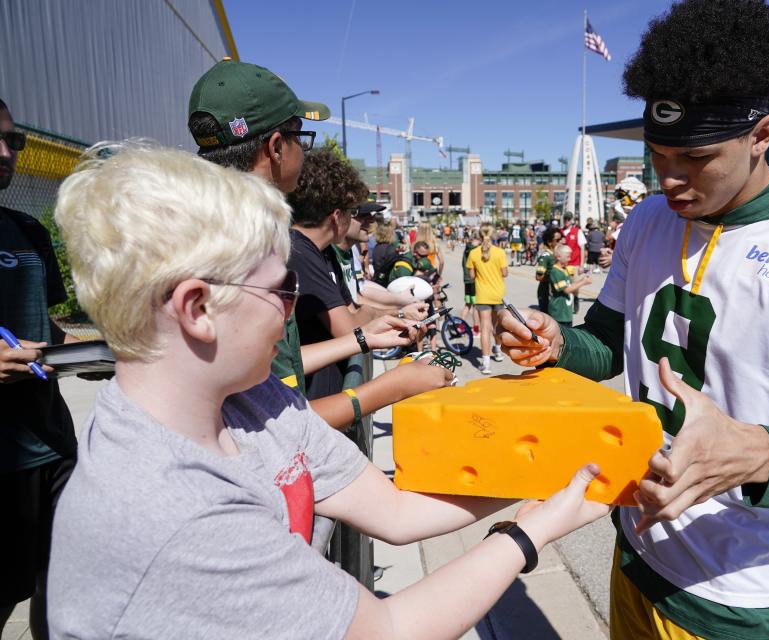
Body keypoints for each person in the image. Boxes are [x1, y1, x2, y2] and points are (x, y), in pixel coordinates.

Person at [46, 142, 610, 639]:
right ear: (198, 308)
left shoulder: (248, 400)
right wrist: (534, 530)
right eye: (281, 289)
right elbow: (389, 628)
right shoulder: (171, 514)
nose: (292, 312)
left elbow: (395, 511)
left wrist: (555, 476)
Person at [495, 2, 769, 638]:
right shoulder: (646, 219)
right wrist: (557, 343)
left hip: (733, 595)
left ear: (761, 135)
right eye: (657, 154)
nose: (670, 178)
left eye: (695, 157)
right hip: (634, 551)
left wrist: (753, 452)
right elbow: (607, 347)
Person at [187, 57, 327, 394]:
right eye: (300, 138)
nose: (304, 152)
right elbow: (274, 408)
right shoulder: (254, 246)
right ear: (277, 147)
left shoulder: (194, 229)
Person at [0, 98, 78, 640]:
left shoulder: (27, 229)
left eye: (14, 141)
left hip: (52, 445)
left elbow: (50, 330)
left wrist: (105, 350)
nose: (7, 153)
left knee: (63, 592)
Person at [284, 149, 426, 401]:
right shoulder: (301, 253)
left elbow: (353, 312)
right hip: (313, 403)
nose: (360, 219)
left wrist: (391, 317)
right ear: (337, 216)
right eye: (352, 212)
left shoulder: (314, 251)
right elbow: (348, 327)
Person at [466, 223, 508, 375]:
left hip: (482, 294)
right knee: (497, 325)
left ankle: (486, 362)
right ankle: (497, 350)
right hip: (497, 293)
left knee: (485, 327)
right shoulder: (500, 252)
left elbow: (471, 276)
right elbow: (504, 273)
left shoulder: (473, 253)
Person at [548, 245, 592, 327]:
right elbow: (566, 290)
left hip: (566, 313)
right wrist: (583, 282)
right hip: (559, 312)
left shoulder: (564, 269)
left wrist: (582, 279)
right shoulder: (555, 271)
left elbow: (571, 285)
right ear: (559, 257)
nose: (569, 259)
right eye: (567, 257)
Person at [535, 226, 564, 312]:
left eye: (561, 239)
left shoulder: (556, 255)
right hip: (546, 293)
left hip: (555, 293)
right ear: (549, 242)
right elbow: (538, 277)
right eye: (557, 240)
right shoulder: (546, 256)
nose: (561, 242)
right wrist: (554, 278)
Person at [461, 230, 480, 336]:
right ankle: (476, 329)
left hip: (466, 279)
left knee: (468, 304)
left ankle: (461, 325)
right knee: (475, 306)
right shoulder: (475, 249)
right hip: (474, 280)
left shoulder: (467, 248)